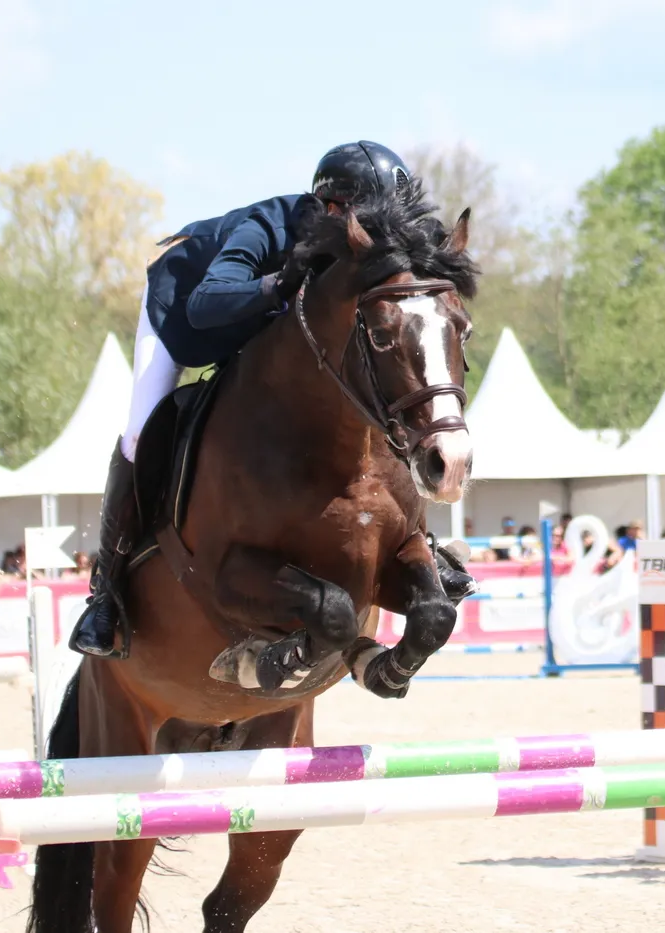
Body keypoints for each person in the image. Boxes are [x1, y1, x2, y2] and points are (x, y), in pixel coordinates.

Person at [70, 141, 477, 659]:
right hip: (185, 317)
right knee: (139, 431)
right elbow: (205, 305)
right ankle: (107, 591)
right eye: (373, 220)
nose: (383, 236)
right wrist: (277, 285)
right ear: (333, 209)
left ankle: (420, 547)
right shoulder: (268, 227)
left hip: (262, 336)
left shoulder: (372, 247)